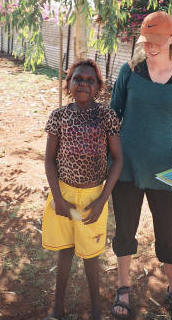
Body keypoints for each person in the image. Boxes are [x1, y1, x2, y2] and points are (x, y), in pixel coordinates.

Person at [110, 11, 172, 320]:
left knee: (170, 234)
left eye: (157, 42)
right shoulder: (130, 71)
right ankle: (123, 288)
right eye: (147, 42)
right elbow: (114, 115)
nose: (150, 48)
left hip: (165, 168)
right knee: (124, 230)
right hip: (127, 167)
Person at [42, 59, 123, 320]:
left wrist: (101, 201)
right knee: (65, 251)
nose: (83, 84)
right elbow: (49, 160)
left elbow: (118, 159)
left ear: (98, 86)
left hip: (92, 197)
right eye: (78, 78)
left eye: (90, 80)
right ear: (69, 84)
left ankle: (97, 311)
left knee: (91, 256)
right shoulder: (59, 116)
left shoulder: (106, 116)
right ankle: (57, 307)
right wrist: (58, 198)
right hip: (63, 195)